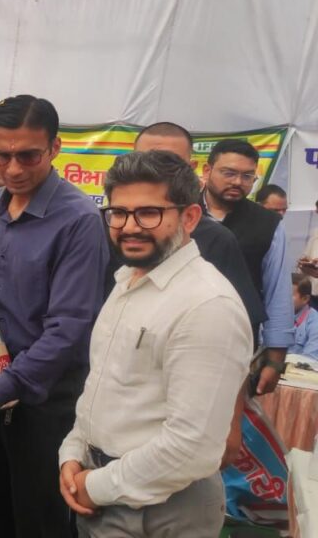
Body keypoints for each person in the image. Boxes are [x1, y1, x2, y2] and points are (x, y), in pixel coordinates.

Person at [59, 150, 251, 537]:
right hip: (103, 486)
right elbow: (104, 385)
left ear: (189, 217)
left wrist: (94, 486)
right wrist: (74, 451)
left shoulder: (208, 305)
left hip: (162, 509)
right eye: (119, 213)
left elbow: (191, 447)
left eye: (149, 213)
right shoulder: (128, 280)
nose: (129, 226)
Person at [0, 95, 108, 538]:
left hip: (45, 398)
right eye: (1, 155)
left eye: (29, 156)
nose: (13, 169)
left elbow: (68, 328)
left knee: (40, 519)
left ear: (55, 148)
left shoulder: (79, 219)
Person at [133, 123, 267, 465]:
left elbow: (238, 341)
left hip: (179, 413)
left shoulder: (215, 239)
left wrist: (231, 423)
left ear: (191, 169)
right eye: (145, 160)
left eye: (168, 163)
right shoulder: (111, 229)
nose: (153, 172)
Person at [203, 139, 293, 394]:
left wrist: (275, 359)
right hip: (176, 333)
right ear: (207, 171)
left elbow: (278, 292)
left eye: (247, 176)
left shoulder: (268, 224)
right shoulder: (182, 212)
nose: (237, 182)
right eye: (228, 173)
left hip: (237, 341)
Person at [291, 273, 318, 360]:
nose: (282, 299)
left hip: (297, 367)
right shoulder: (272, 316)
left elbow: (309, 359)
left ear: (305, 299)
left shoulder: (315, 322)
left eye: (288, 295)